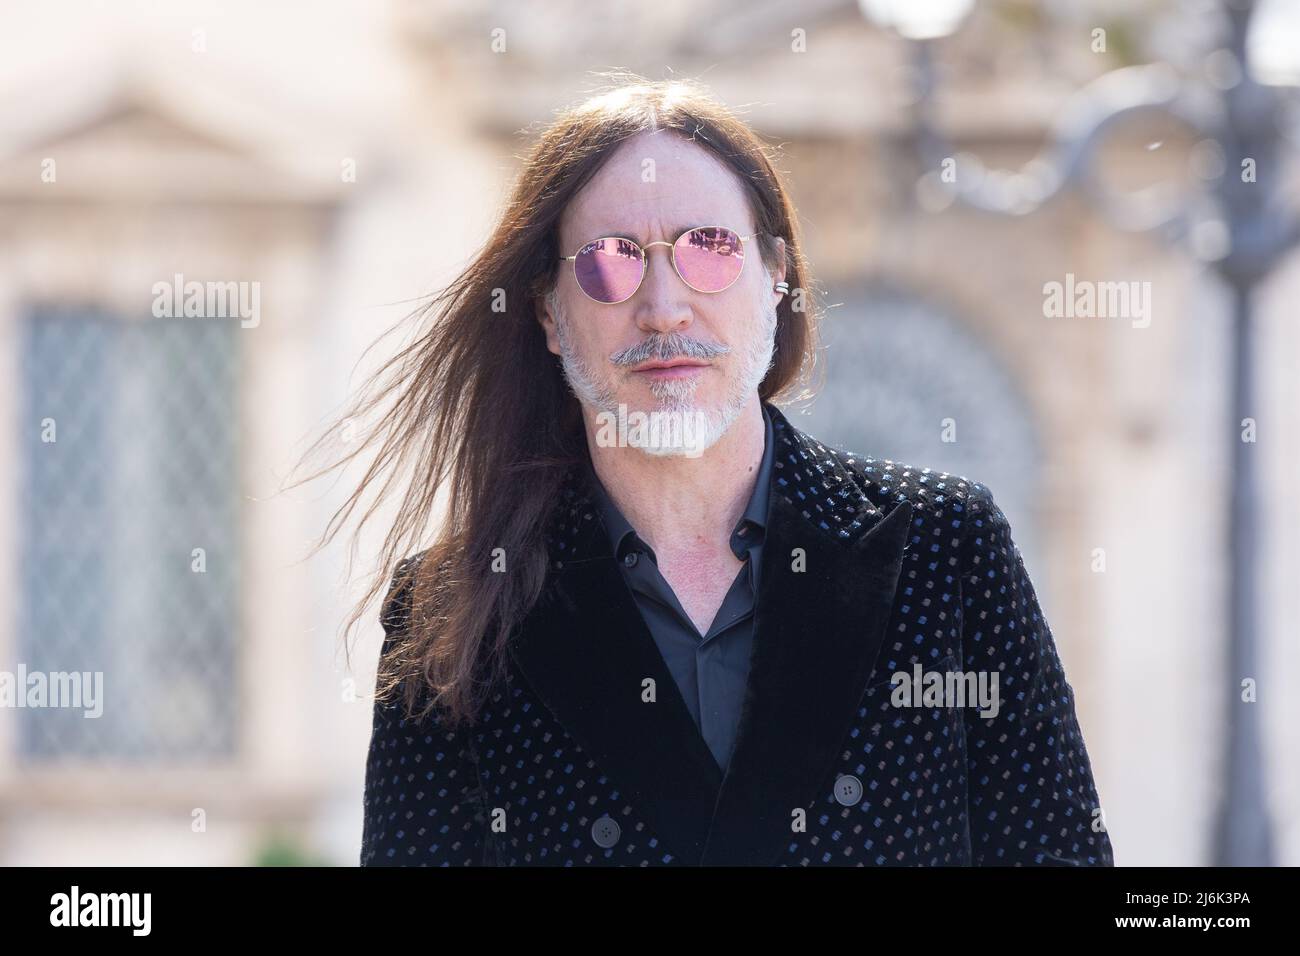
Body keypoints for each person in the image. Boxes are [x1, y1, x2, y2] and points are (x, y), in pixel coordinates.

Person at [351, 77, 1113, 866]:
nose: (663, 307)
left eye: (707, 249)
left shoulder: (949, 550)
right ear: (548, 312)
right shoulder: (454, 612)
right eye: (609, 264)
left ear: (775, 275)